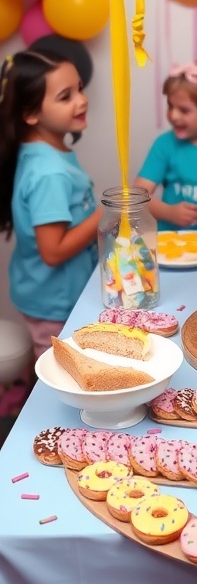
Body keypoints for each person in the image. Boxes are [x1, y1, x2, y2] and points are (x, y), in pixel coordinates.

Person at [0, 50, 101, 359]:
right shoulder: (50, 172)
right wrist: (106, 213)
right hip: (55, 302)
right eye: (65, 96)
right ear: (30, 114)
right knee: (57, 368)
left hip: (48, 293)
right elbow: (53, 251)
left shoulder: (45, 153)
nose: (81, 100)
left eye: (80, 88)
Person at [135, 61, 197, 231]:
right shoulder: (164, 144)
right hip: (172, 246)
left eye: (184, 110)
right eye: (170, 106)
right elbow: (138, 195)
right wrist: (168, 212)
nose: (173, 115)